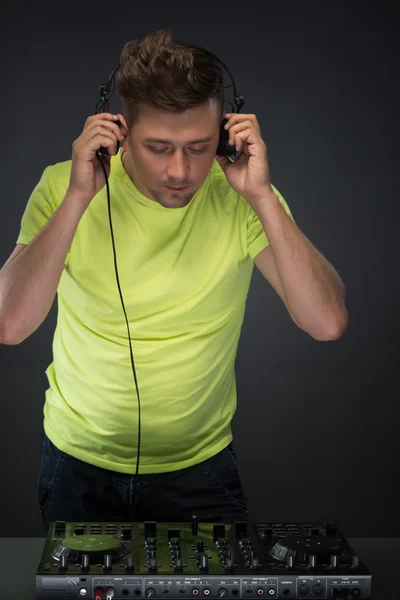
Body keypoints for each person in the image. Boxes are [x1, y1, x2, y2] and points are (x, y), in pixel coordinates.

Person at [0, 30, 347, 535]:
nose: (181, 171)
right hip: (77, 467)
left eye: (200, 148)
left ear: (226, 138)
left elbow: (327, 322)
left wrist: (264, 197)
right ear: (119, 134)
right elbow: (8, 324)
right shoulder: (63, 186)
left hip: (201, 472)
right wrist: (78, 197)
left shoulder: (242, 197)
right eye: (159, 148)